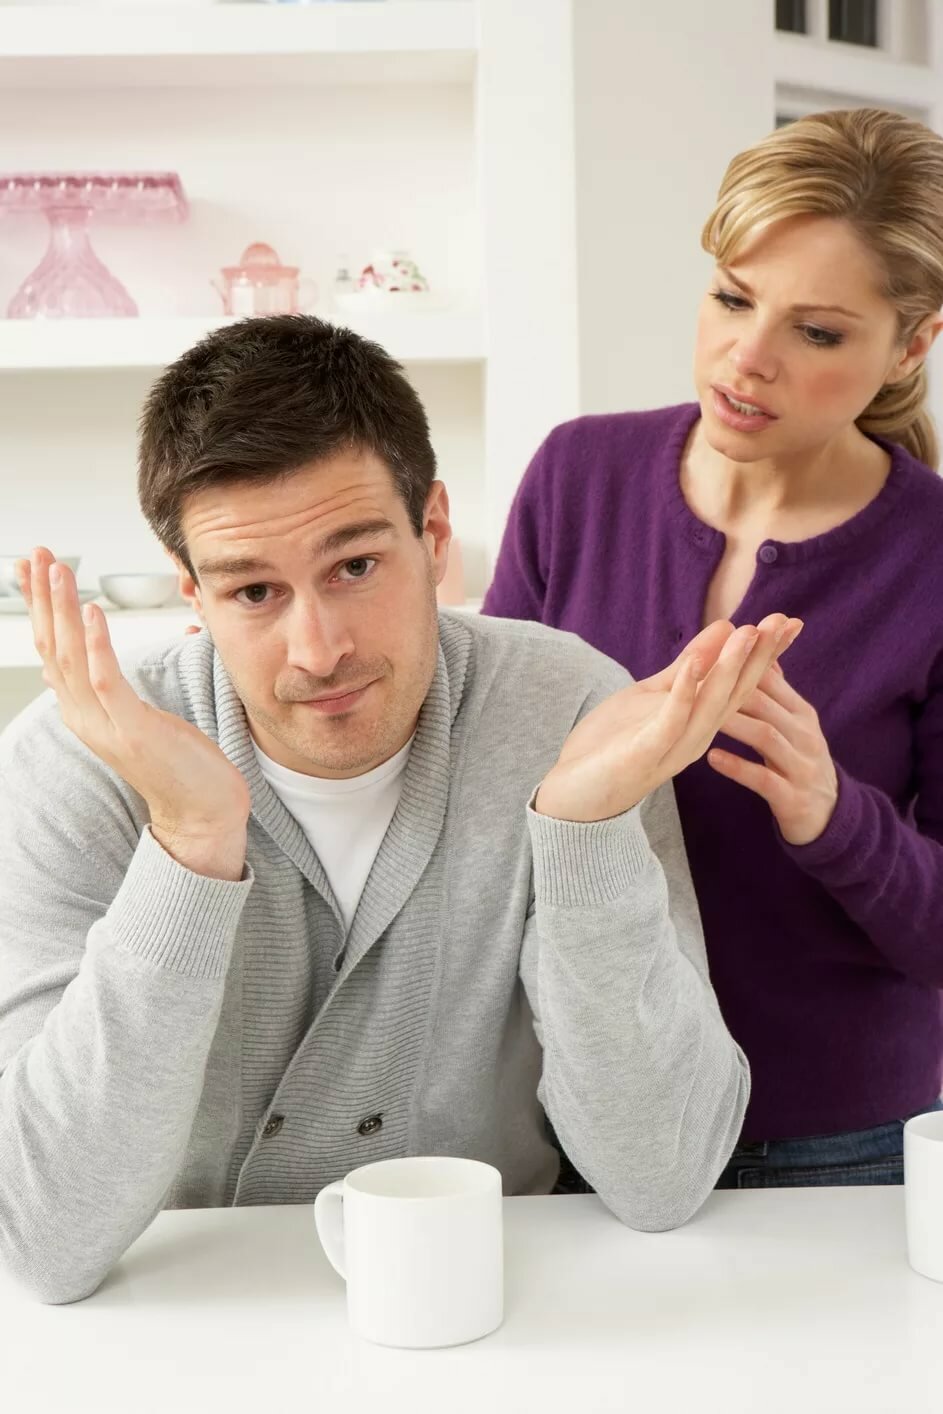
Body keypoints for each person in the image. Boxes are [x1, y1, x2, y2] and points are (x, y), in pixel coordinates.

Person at [0, 315, 794, 1303]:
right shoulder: (76, 757)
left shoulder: (572, 711)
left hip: (493, 1298)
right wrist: (190, 845)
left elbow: (662, 1175)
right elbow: (45, 1240)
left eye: (356, 566)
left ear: (434, 534)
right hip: (188, 1311)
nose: (319, 649)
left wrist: (583, 833)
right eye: (253, 591)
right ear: (191, 594)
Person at [484, 106, 943, 1190]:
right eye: (733, 298)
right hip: (577, 1111)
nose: (749, 357)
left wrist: (831, 815)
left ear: (910, 345)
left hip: (839, 1147)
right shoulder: (577, 476)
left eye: (816, 333)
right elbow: (481, 790)